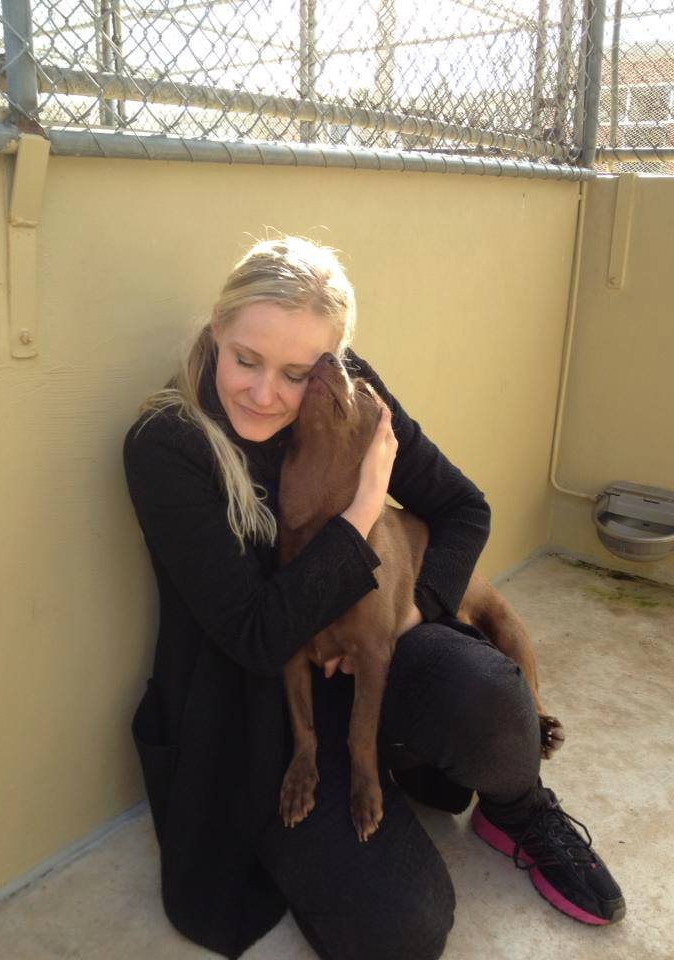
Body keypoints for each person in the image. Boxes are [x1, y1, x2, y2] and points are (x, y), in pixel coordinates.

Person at [122, 235, 625, 960]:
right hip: (256, 704)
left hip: (366, 644)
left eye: (297, 371)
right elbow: (258, 637)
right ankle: (361, 795)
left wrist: (413, 609)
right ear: (216, 331)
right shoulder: (167, 444)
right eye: (246, 360)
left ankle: (518, 808)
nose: (266, 394)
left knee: (491, 694)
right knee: (404, 928)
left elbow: (462, 508)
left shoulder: (349, 394)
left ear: (331, 361)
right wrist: (363, 507)